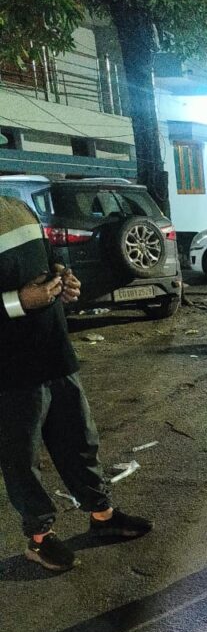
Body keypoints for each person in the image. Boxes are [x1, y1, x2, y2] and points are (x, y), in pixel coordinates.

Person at [0, 195, 153, 572]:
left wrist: (64, 281)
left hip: (53, 347)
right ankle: (39, 539)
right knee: (22, 457)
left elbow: (48, 261)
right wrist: (19, 301)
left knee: (79, 439)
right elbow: (20, 293)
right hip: (9, 367)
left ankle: (102, 516)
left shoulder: (18, 207)